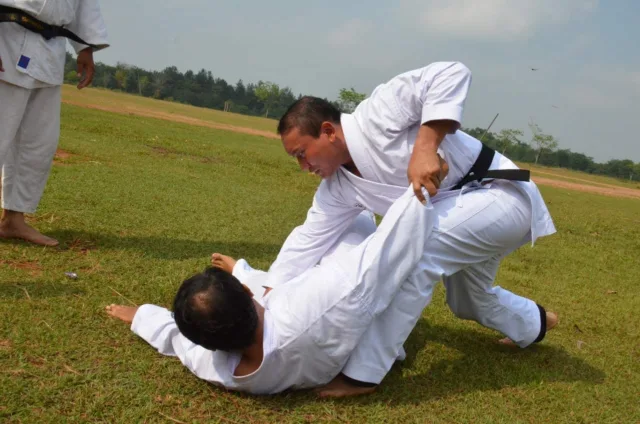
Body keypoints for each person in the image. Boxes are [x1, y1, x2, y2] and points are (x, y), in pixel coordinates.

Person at [264, 61, 559, 397]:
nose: (304, 167)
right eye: (296, 160)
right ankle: (534, 323)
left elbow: (451, 72)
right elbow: (309, 239)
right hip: (459, 213)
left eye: (302, 154)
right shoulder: (338, 187)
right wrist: (268, 292)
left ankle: (364, 373)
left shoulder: (377, 114)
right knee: (468, 302)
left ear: (329, 132)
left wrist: (425, 147)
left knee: (415, 251)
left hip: (498, 193)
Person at [106, 189, 435, 395]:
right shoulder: (314, 307)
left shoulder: (216, 368)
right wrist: (420, 190)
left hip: (315, 344)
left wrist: (139, 315)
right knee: (355, 223)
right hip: (345, 329)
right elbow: (383, 254)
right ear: (249, 297)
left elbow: (175, 338)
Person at [0, 1, 109, 246]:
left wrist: (85, 48)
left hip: (50, 50)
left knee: (38, 143)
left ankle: (13, 219)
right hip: (6, 39)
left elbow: (83, 5)